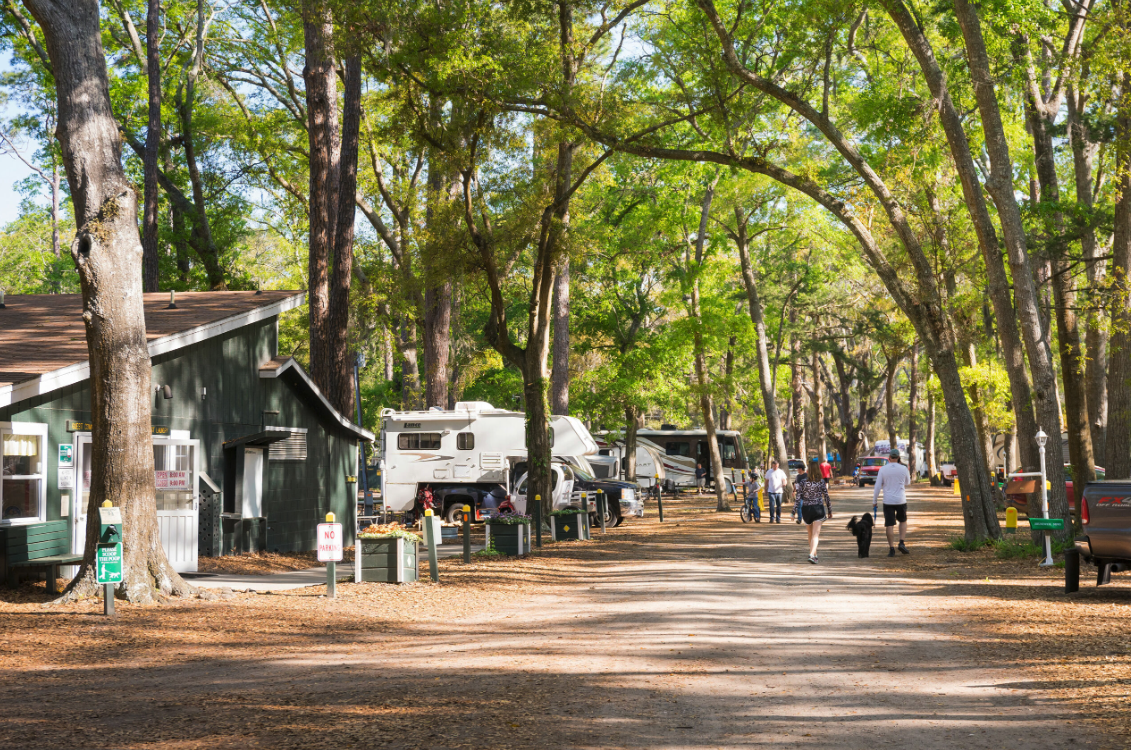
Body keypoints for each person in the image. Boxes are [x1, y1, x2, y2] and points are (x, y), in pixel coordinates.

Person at [873, 448, 912, 556]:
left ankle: (891, 548)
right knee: (902, 521)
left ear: (889, 458)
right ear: (898, 457)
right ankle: (901, 542)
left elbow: (877, 486)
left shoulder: (883, 469)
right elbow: (908, 482)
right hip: (900, 500)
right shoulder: (904, 469)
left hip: (888, 501)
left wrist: (874, 500)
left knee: (889, 524)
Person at [794, 458, 833, 563]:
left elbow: (798, 498)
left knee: (810, 533)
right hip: (818, 508)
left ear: (808, 470)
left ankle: (814, 555)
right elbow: (826, 497)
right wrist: (830, 510)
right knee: (815, 534)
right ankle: (812, 554)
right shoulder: (821, 482)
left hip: (806, 509)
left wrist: (793, 511)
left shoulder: (802, 482)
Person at [763, 459, 788, 523]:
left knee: (779, 505)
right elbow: (766, 481)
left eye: (776, 466)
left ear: (778, 465)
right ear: (772, 465)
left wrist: (784, 483)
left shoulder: (781, 472)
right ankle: (772, 518)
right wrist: (765, 489)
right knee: (771, 505)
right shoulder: (769, 472)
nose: (775, 467)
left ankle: (778, 518)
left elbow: (784, 479)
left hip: (779, 491)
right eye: (774, 466)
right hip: (771, 491)